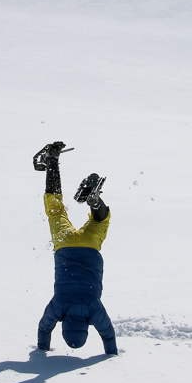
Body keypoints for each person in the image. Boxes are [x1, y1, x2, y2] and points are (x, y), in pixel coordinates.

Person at [32, 141, 117, 356]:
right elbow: (44, 327)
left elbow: (108, 334)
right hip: (65, 246)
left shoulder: (94, 311)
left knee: (102, 222)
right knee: (55, 209)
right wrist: (42, 347)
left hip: (89, 248)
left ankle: (95, 202)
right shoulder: (58, 307)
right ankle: (52, 158)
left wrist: (111, 353)